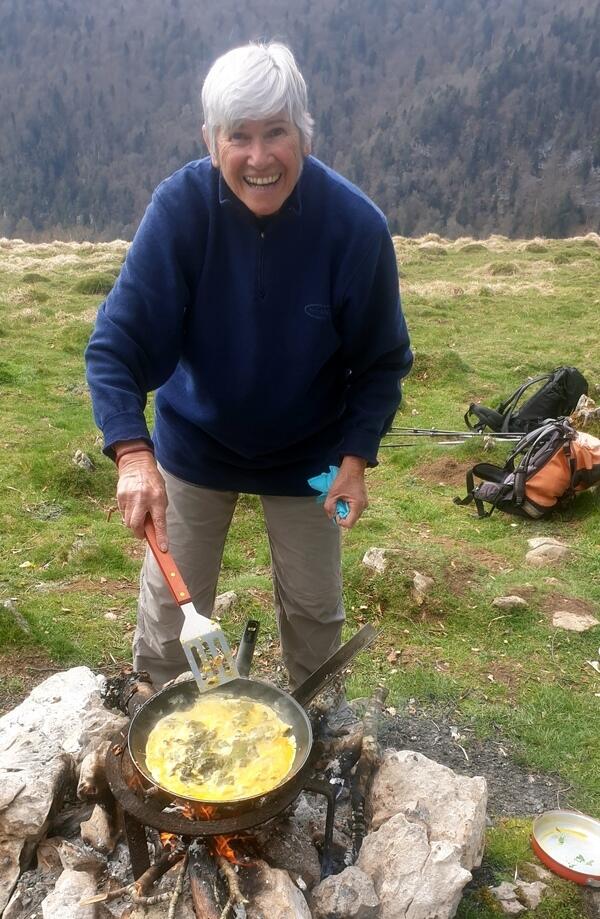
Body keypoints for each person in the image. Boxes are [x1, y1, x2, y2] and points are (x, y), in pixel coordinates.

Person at [85, 42, 412, 713]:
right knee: (171, 617)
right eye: (239, 136)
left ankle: (317, 722)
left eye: (276, 132)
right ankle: (160, 710)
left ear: (304, 135)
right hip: (193, 444)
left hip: (310, 456)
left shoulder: (355, 228)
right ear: (212, 142)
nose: (259, 158)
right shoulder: (180, 211)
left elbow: (381, 361)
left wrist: (355, 460)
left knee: (315, 612)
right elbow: (116, 345)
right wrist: (133, 454)